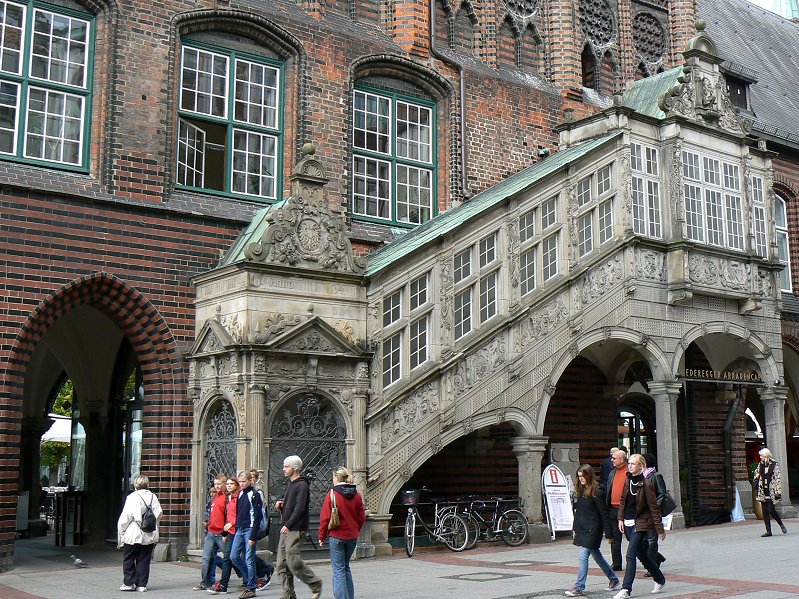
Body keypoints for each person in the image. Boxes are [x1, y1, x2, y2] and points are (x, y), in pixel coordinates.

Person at [613, 454, 666, 599]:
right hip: (628, 523)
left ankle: (626, 589)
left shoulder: (647, 484)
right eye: (629, 463)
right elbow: (623, 501)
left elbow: (654, 507)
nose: (630, 466)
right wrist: (620, 519)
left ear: (640, 466)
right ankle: (660, 579)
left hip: (641, 524)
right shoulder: (627, 481)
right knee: (641, 554)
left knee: (630, 554)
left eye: (633, 464)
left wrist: (659, 529)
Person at [562, 464, 619, 597]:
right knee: (597, 556)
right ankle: (613, 578)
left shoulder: (597, 491)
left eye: (583, 476)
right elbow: (579, 511)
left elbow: (604, 514)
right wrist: (575, 528)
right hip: (583, 527)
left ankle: (579, 586)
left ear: (589, 475)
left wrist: (609, 533)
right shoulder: (582, 490)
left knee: (583, 556)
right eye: (579, 476)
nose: (581, 479)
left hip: (593, 529)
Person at [275, 455, 323, 599]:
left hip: (295, 528)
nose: (283, 469)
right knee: (281, 565)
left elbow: (300, 508)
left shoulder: (302, 485)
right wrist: (282, 506)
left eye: (286, 466)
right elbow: (291, 507)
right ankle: (288, 594)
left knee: (293, 560)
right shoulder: (290, 484)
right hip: (287, 527)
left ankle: (315, 583)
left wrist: (288, 524)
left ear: (294, 468)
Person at [318, 466, 366, 599]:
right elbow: (362, 517)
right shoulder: (357, 495)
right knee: (346, 567)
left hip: (336, 536)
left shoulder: (332, 494)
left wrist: (321, 536)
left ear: (337, 478)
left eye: (333, 477)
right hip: (352, 536)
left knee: (338, 570)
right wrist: (356, 529)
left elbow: (325, 518)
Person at [117, 475, 163, 592]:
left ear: (135, 485)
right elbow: (159, 513)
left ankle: (129, 582)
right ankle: (142, 584)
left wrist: (121, 531)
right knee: (144, 559)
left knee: (129, 558)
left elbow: (126, 517)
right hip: (149, 532)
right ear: (147, 484)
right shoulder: (153, 497)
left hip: (133, 532)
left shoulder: (132, 497)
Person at [229, 471, 263, 599]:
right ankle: (251, 578)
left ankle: (250, 587)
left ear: (250, 481)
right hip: (240, 529)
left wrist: (253, 536)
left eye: (244, 481)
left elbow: (257, 516)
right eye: (240, 482)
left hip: (249, 529)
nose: (242, 484)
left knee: (249, 558)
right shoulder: (241, 494)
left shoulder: (254, 495)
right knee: (234, 556)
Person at [208, 477, 244, 595]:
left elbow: (241, 514)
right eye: (227, 484)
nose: (229, 486)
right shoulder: (229, 498)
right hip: (230, 532)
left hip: (239, 531)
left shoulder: (239, 497)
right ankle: (223, 585)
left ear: (236, 485)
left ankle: (255, 576)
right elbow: (227, 515)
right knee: (228, 558)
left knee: (237, 557)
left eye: (231, 484)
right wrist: (225, 532)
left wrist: (232, 523)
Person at [194, 474, 228, 591]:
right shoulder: (215, 497)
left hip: (221, 533)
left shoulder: (227, 497)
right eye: (215, 484)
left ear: (224, 484)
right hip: (211, 532)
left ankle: (250, 577)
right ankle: (205, 582)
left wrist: (225, 532)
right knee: (206, 558)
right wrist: (209, 524)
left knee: (232, 558)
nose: (217, 486)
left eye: (219, 484)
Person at [247, 468, 274, 591]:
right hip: (246, 525)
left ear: (256, 479)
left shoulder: (258, 492)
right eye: (249, 477)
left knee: (249, 554)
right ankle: (265, 569)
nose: (250, 480)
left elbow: (258, 511)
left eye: (252, 477)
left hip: (254, 526)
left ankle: (263, 572)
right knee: (246, 554)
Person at [641, 453, 666, 577]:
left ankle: (652, 567)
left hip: (652, 513)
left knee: (651, 540)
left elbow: (662, 493)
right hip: (641, 514)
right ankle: (657, 558)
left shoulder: (655, 476)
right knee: (642, 540)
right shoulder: (640, 476)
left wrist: (654, 506)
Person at [753, 447, 787, 537]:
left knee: (771, 510)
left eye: (761, 455)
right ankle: (768, 531)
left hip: (771, 491)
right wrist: (756, 475)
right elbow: (756, 473)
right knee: (764, 511)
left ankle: (781, 524)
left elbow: (777, 479)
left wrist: (778, 492)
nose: (760, 457)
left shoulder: (774, 464)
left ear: (765, 456)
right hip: (762, 490)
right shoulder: (761, 464)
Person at [606, 448, 628, 571]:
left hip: (627, 509)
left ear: (622, 459)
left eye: (614, 458)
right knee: (615, 538)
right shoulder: (612, 473)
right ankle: (616, 563)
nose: (612, 460)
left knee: (633, 537)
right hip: (613, 508)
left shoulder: (630, 472)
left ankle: (653, 558)